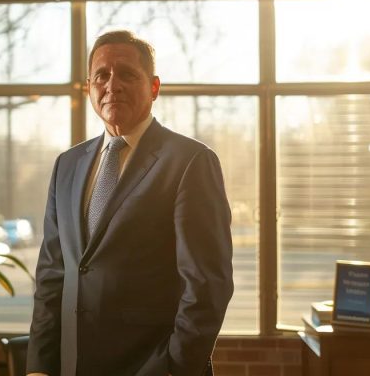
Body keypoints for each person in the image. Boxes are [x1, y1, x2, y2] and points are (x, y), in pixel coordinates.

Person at [27, 30, 234, 376]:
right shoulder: (67, 165)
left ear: (154, 87)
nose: (113, 85)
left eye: (127, 74)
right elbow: (52, 276)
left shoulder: (190, 161)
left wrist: (173, 368)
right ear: (89, 87)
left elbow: (206, 287)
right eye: (102, 76)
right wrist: (39, 367)